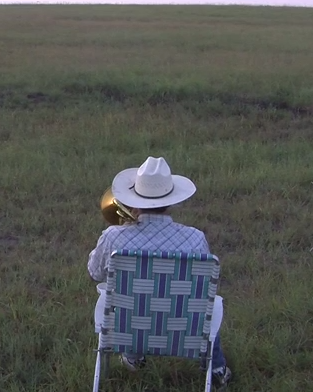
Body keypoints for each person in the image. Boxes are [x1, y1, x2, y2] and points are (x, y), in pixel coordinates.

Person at [88, 156, 232, 387]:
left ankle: (134, 356)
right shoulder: (195, 239)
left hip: (130, 326)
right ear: (171, 200)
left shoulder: (113, 237)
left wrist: (120, 232)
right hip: (183, 331)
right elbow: (203, 287)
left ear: (134, 199)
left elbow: (94, 273)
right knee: (207, 304)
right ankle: (216, 368)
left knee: (132, 299)